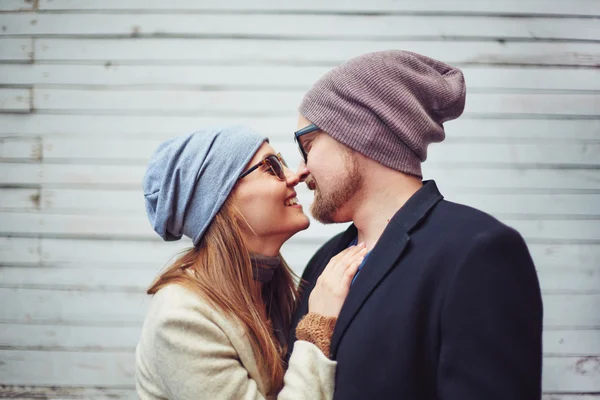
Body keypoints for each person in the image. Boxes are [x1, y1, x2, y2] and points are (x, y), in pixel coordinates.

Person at [288, 50, 544, 399]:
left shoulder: (478, 251)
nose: (300, 170)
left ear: (359, 133)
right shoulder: (324, 262)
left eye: (308, 144)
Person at [135, 125, 367, 399]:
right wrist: (317, 327)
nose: (293, 176)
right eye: (271, 167)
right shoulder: (181, 318)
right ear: (222, 201)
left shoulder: (266, 289)